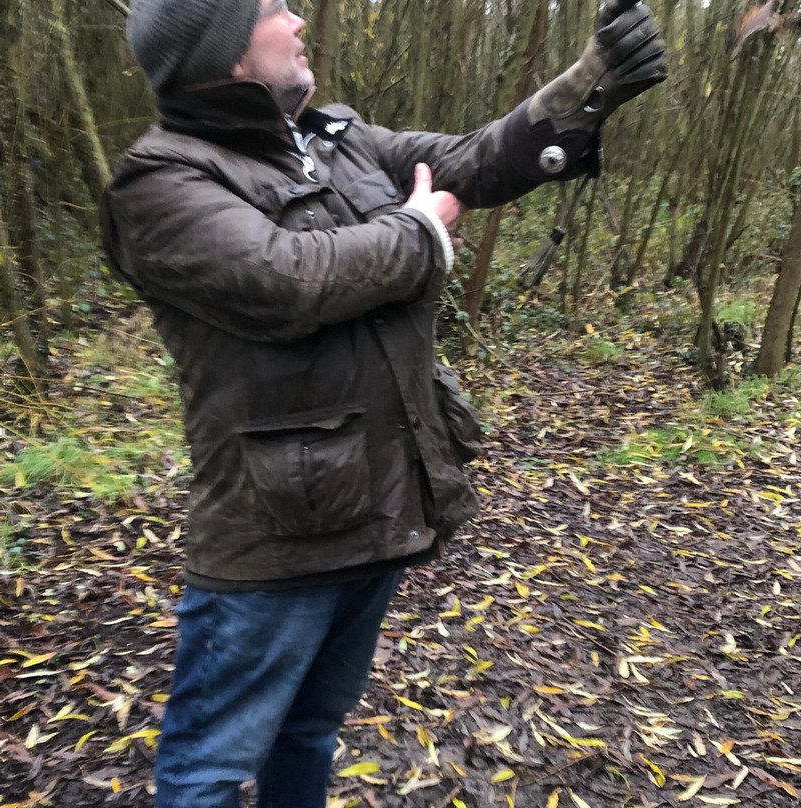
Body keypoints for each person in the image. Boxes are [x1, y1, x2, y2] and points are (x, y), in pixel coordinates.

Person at [99, 0, 665, 805]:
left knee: (310, 730)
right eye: (272, 9)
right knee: (210, 766)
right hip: (272, 536)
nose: (297, 20)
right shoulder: (161, 179)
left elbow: (472, 163)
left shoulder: (339, 139)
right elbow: (284, 279)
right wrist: (420, 234)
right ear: (225, 50)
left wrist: (591, 82)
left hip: (374, 498)